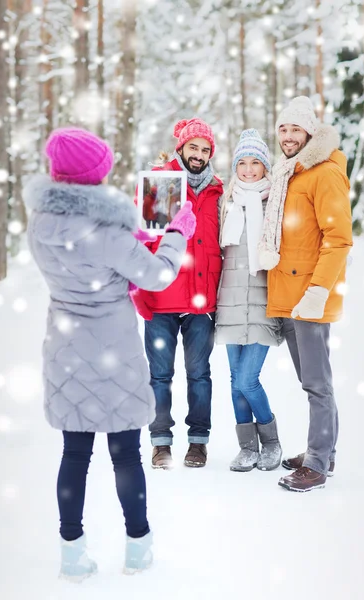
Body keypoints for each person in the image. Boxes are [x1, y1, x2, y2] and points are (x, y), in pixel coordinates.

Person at [23, 127, 196, 581]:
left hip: (66, 348)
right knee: (125, 454)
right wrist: (176, 232)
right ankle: (138, 548)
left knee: (74, 454)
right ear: (94, 175)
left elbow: (85, 265)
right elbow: (158, 275)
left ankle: (71, 554)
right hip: (113, 353)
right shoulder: (108, 231)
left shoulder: (40, 222)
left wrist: (127, 240)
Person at [258, 96, 353, 492]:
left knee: (317, 383)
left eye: (296, 129)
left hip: (309, 296)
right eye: (283, 128)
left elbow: (339, 239)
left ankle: (316, 462)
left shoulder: (323, 173)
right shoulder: (288, 173)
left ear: (310, 132)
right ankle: (324, 451)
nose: (288, 135)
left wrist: (317, 290)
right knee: (312, 381)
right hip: (290, 294)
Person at [131, 118, 224, 469]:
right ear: (181, 147)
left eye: (205, 149)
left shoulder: (217, 190)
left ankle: (198, 443)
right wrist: (139, 285)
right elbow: (143, 240)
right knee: (159, 374)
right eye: (193, 147)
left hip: (201, 300)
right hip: (162, 298)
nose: (198, 154)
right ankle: (160, 442)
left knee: (200, 374)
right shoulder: (160, 182)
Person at [216, 129, 284, 472]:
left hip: (262, 302)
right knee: (234, 381)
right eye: (241, 162)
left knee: (247, 379)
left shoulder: (275, 202)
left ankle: (271, 442)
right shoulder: (227, 203)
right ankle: (247, 448)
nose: (247, 169)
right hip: (228, 303)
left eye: (254, 162)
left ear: (264, 166)